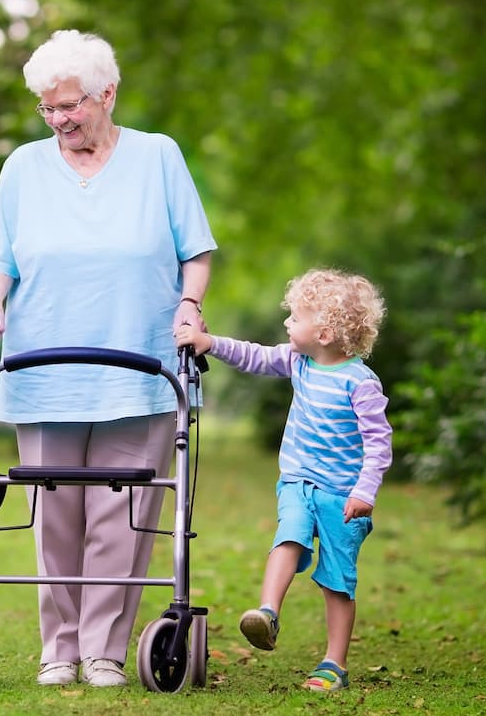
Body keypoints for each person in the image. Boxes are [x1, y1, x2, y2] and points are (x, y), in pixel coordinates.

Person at [0, 29, 217, 687]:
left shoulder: (158, 157)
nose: (58, 119)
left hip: (140, 365)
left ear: (108, 94)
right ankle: (60, 647)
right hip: (45, 365)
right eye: (47, 108)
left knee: (124, 513)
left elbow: (196, 250)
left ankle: (105, 647)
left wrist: (189, 307)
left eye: (70, 105)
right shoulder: (23, 167)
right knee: (55, 515)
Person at [174, 268, 391, 693]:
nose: (288, 323)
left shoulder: (360, 383)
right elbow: (253, 356)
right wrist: (210, 344)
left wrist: (365, 491)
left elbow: (379, 444)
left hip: (343, 496)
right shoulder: (298, 361)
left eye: (296, 317)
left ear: (324, 333)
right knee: (288, 536)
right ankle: (268, 612)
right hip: (298, 481)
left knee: (337, 581)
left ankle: (334, 663)